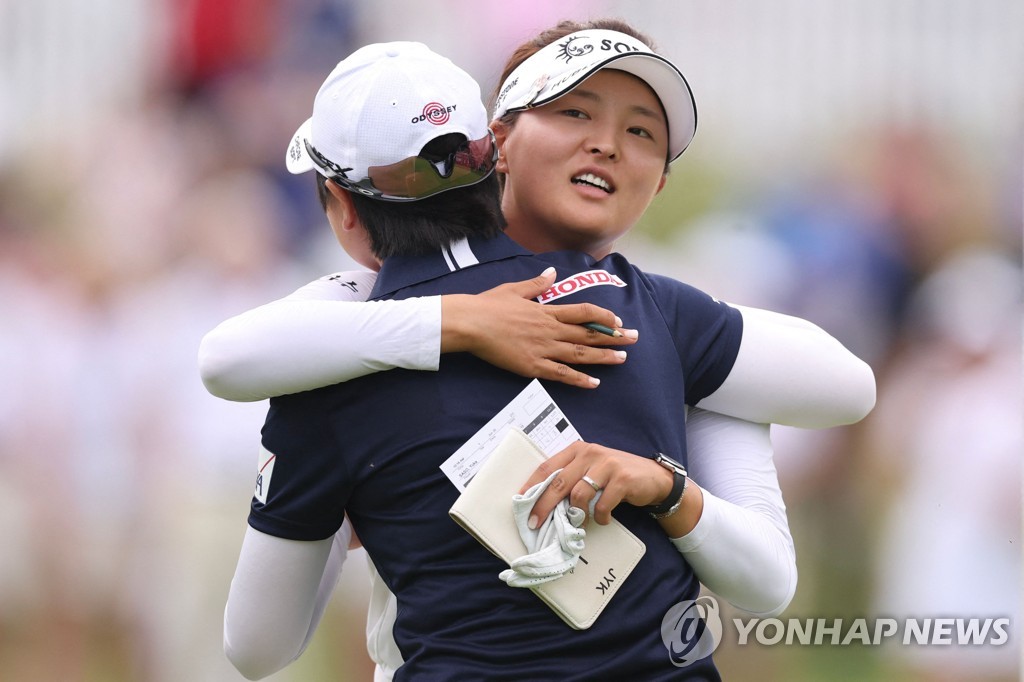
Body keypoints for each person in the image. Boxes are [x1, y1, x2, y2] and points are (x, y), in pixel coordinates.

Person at [212, 25, 874, 681]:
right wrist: (456, 321)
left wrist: (668, 480)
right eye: (574, 110)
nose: (606, 145)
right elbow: (229, 357)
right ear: (495, 146)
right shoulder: (649, 312)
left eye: (642, 131)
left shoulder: (325, 364)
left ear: (343, 208)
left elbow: (258, 646)